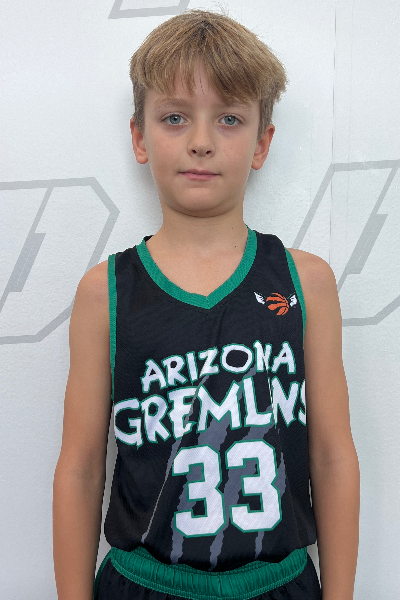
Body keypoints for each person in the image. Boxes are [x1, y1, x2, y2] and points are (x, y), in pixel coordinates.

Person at [53, 8, 360, 600]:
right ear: (139, 137)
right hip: (141, 583)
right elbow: (81, 468)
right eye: (174, 117)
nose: (200, 141)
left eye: (229, 119)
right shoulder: (104, 293)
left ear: (261, 143)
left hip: (279, 582)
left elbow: (332, 456)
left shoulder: (305, 283)